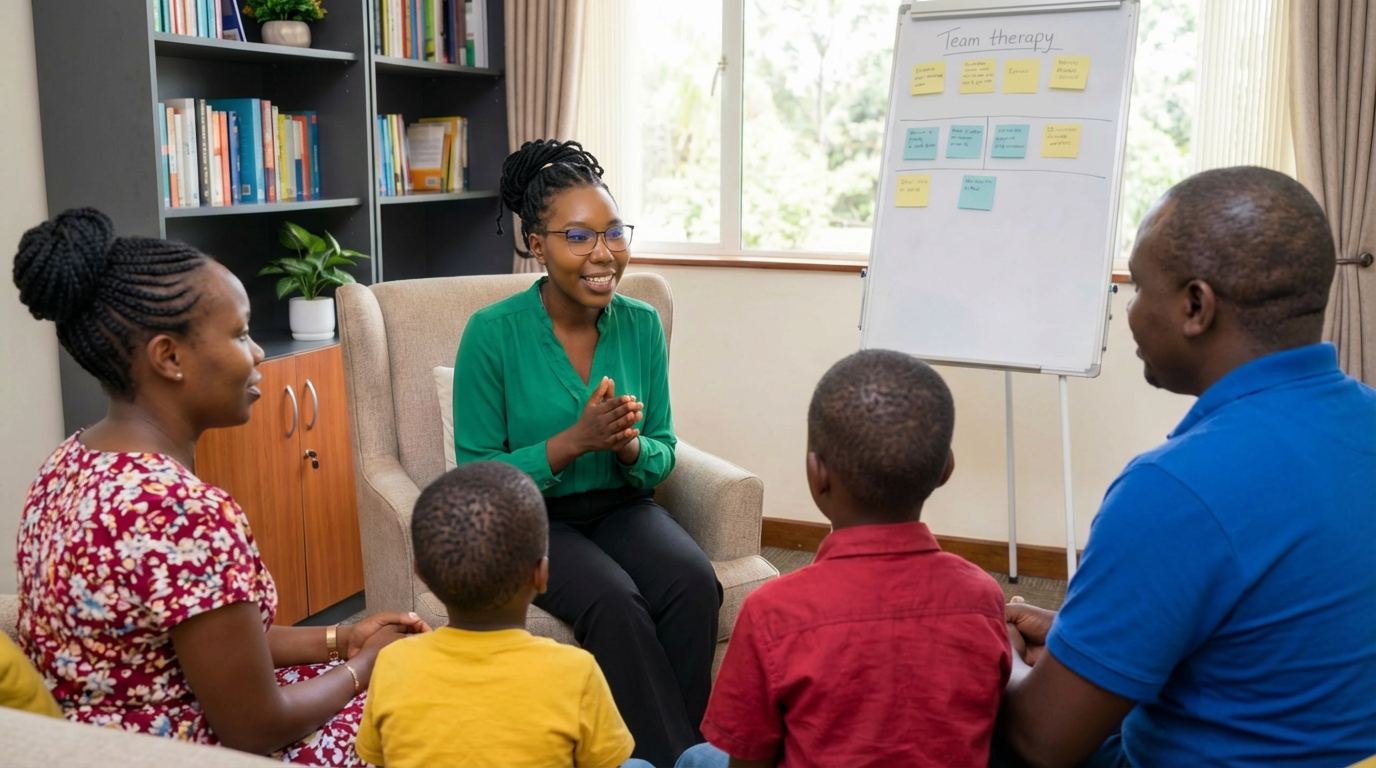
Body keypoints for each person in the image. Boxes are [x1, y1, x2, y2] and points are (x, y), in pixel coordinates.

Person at [11, 208, 428, 765]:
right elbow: (256, 728)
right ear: (169, 357)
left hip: (100, 741)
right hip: (187, 752)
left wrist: (339, 640)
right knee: (437, 705)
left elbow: (213, 643)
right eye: (239, 333)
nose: (257, 353)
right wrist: (365, 666)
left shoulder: (69, 460)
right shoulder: (180, 510)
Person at [998, 166, 1376, 767]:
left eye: (1136, 287)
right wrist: (1081, 636)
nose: (1127, 310)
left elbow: (1040, 742)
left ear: (1195, 305)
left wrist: (999, 654)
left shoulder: (1174, 489)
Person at [451, 140, 721, 766]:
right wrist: (575, 441)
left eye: (614, 232)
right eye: (579, 236)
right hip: (528, 521)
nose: (604, 254)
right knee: (613, 601)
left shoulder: (641, 323)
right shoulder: (493, 333)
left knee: (692, 582)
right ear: (536, 245)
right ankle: (672, 758)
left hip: (622, 504)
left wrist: (627, 446)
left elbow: (663, 448)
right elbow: (476, 478)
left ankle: (690, 753)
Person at [678, 350, 1011, 768]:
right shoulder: (984, 596)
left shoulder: (772, 612)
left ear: (817, 474)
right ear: (945, 469)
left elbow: (749, 759)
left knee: (694, 757)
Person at [357, 461, 647, 768]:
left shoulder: (392, 664)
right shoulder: (577, 672)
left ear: (422, 574)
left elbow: (379, 756)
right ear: (541, 575)